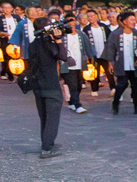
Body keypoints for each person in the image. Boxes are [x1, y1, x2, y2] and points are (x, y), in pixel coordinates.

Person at [27, 18, 68, 159]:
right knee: (52, 118)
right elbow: (63, 56)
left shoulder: (32, 44)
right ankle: (46, 149)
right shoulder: (49, 44)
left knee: (44, 116)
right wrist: (59, 41)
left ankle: (47, 143)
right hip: (51, 85)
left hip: (38, 85)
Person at [101, 12, 137, 116]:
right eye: (131, 20)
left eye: (134, 20)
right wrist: (110, 63)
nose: (134, 22)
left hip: (135, 64)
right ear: (124, 22)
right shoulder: (115, 34)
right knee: (122, 84)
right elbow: (110, 49)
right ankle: (116, 101)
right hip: (121, 63)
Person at [59, 15, 92, 114]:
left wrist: (91, 58)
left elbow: (88, 46)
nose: (71, 23)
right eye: (68, 21)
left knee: (79, 85)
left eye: (73, 20)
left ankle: (72, 102)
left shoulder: (81, 34)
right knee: (72, 85)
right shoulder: (62, 35)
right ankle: (78, 105)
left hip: (79, 62)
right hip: (67, 63)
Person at [84, 9, 111, 96]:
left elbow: (110, 37)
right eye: (88, 16)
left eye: (92, 16)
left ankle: (113, 88)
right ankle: (94, 89)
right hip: (93, 54)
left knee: (109, 72)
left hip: (105, 53)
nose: (90, 18)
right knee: (94, 72)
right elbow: (85, 42)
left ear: (96, 16)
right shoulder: (86, 29)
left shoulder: (103, 26)